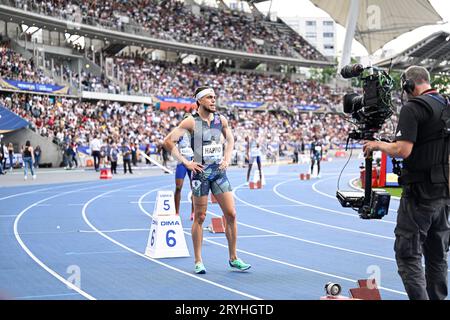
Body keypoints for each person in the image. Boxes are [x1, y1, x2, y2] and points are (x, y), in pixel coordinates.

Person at [363, 65, 450, 300]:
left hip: (420, 195)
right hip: (444, 193)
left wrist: (377, 144)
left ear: (409, 85)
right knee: (437, 255)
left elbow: (402, 150)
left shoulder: (414, 107)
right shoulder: (446, 105)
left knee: (408, 254)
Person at [163, 86, 251, 274]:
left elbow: (231, 140)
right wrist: (186, 163)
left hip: (219, 172)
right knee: (200, 217)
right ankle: (198, 260)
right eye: (209, 97)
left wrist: (227, 158)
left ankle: (233, 258)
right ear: (200, 101)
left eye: (214, 97)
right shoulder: (191, 122)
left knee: (231, 214)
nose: (213, 100)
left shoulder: (221, 120)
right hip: (200, 174)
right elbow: (168, 141)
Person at [174, 116, 195, 221]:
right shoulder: (178, 132)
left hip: (192, 161)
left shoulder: (195, 133)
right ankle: (176, 212)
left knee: (194, 188)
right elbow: (171, 145)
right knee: (178, 187)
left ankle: (193, 212)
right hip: (181, 162)